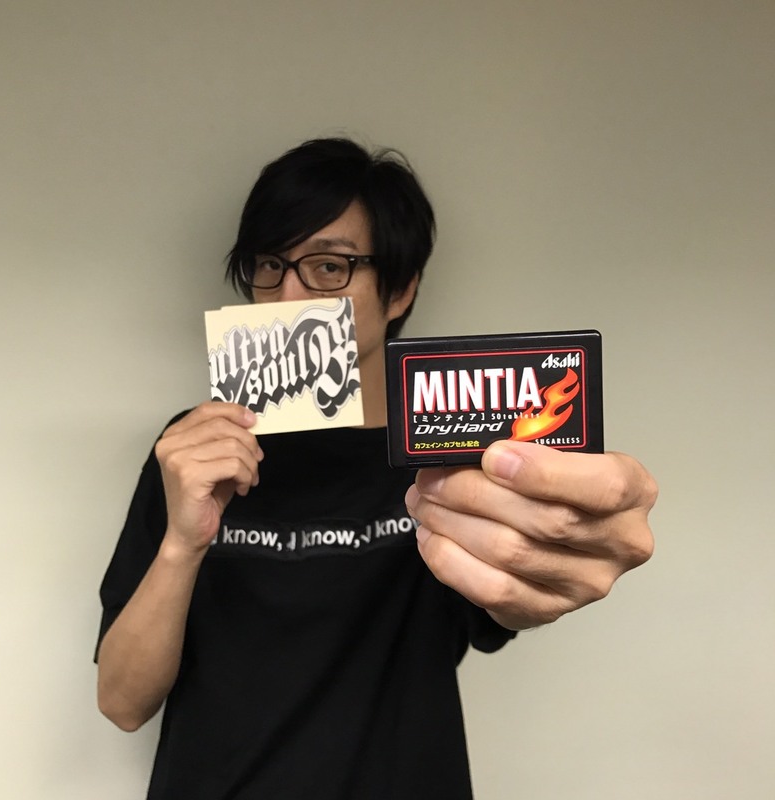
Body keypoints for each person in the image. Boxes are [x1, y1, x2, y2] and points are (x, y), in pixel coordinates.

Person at [96, 138, 656, 799]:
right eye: (269, 265)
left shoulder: (447, 456)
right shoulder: (192, 452)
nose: (288, 295)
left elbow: (512, 601)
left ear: (400, 289)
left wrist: (562, 549)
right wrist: (182, 543)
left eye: (329, 267)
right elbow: (123, 703)